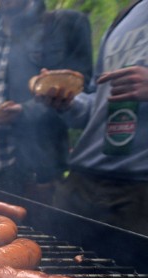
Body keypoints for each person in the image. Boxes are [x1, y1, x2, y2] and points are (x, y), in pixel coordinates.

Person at [0, 0, 92, 203]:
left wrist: (24, 111)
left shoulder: (60, 28)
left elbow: (77, 93)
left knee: (23, 232)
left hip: (26, 174)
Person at [35, 0, 148, 235]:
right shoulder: (124, 18)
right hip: (81, 181)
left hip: (138, 191)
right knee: (54, 263)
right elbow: (96, 106)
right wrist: (67, 102)